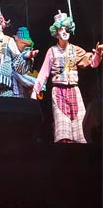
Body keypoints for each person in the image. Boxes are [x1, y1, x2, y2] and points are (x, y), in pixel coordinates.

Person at [31, 11, 102, 143]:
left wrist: (97, 56)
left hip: (74, 91)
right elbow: (44, 72)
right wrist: (35, 91)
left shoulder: (75, 50)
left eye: (67, 29)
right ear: (56, 33)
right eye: (61, 29)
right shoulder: (52, 51)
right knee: (63, 130)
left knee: (81, 131)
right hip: (59, 92)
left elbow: (91, 62)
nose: (64, 32)